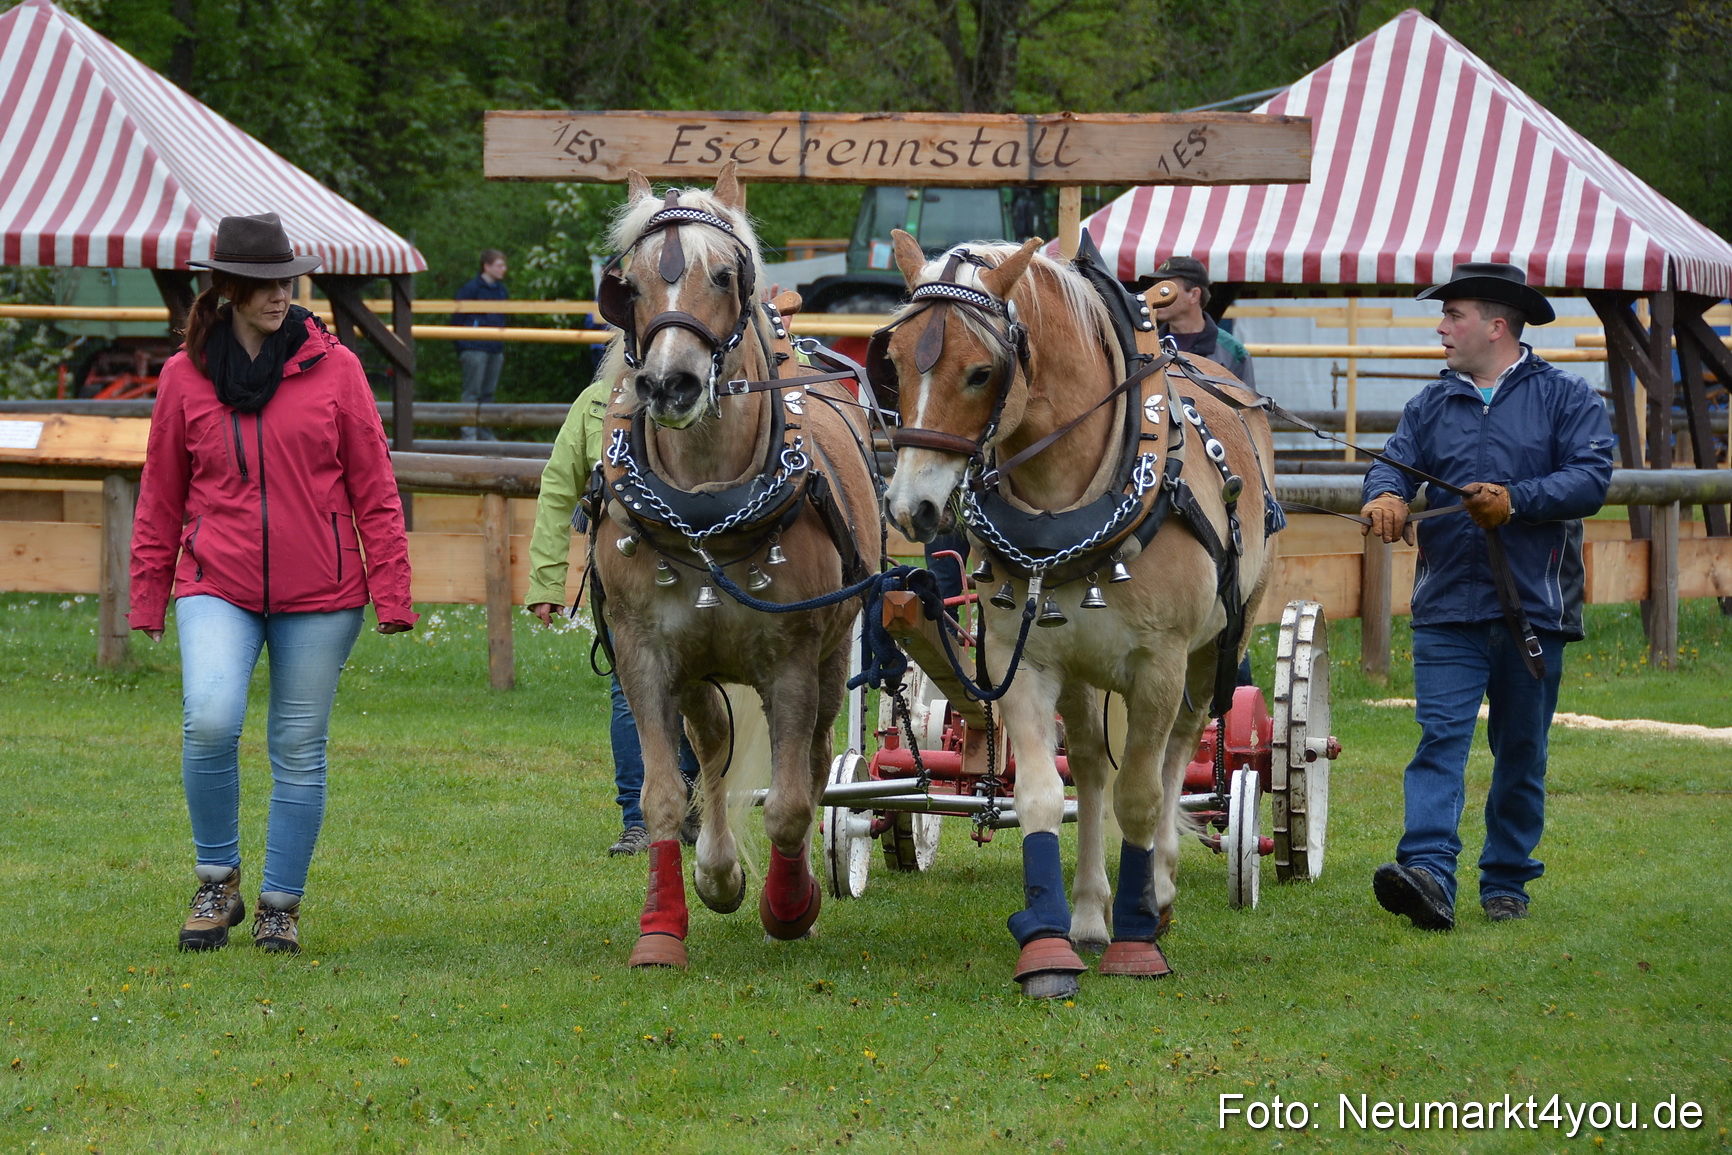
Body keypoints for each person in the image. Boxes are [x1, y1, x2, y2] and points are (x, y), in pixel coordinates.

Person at [130, 212, 416, 954]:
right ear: (225, 289)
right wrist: (147, 593)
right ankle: (217, 882)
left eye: (285, 280)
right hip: (213, 581)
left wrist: (393, 591)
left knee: (298, 744)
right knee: (211, 718)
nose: (278, 295)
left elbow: (375, 489)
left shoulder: (340, 369)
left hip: (320, 592)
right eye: (260, 284)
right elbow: (160, 493)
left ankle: (279, 905)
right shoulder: (182, 378)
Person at [1360, 262, 1613, 931]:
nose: (1442, 328)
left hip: (1535, 610)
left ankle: (1506, 878)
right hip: (1446, 607)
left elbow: (1591, 477)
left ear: (1496, 325)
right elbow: (1392, 459)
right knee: (1439, 738)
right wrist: (1383, 494)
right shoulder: (1430, 404)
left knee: (1520, 748)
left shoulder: (1568, 397)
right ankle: (1428, 874)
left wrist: (1518, 501)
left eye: (1454, 315)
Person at [526, 375, 700, 856]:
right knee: (630, 693)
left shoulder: (703, 389)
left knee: (703, 689)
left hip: (703, 577)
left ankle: (693, 800)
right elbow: (559, 487)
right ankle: (640, 818)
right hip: (629, 582)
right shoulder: (596, 402)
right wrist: (545, 580)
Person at [1151, 255, 1255, 386]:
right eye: (1156, 288)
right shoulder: (1147, 348)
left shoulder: (1233, 352)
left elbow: (1247, 405)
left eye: (1166, 290)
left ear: (1194, 295)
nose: (1157, 296)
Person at [454, 249, 509, 440]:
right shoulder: (471, 289)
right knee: (472, 393)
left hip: (494, 348)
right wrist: (464, 345)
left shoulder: (502, 290)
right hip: (474, 349)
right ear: (487, 266)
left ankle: (485, 433)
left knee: (488, 394)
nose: (504, 269)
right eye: (499, 265)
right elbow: (456, 318)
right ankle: (468, 435)